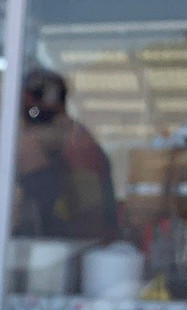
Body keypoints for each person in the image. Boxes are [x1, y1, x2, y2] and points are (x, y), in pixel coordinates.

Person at [16, 68, 118, 241]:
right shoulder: (67, 137)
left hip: (75, 241)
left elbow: (90, 217)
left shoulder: (76, 141)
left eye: (31, 106)